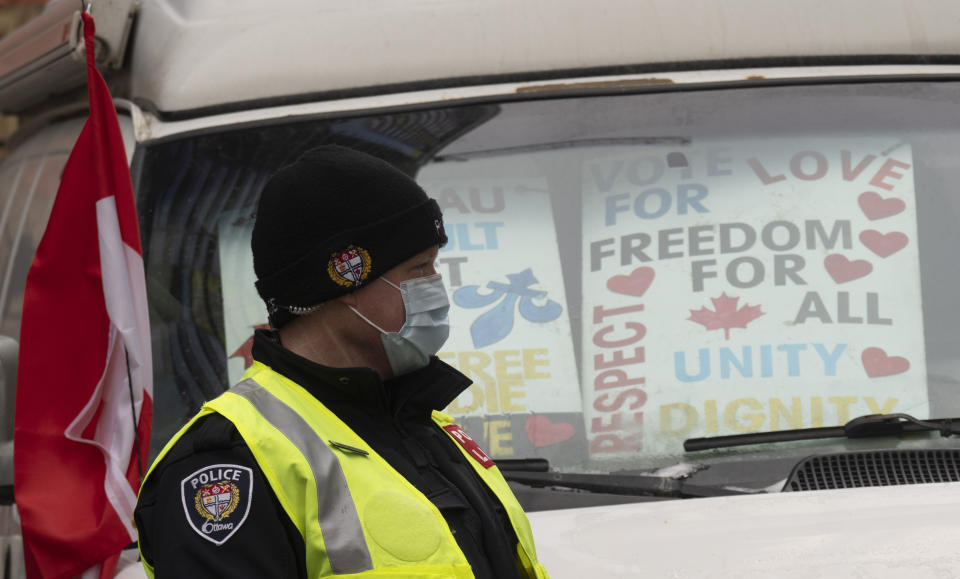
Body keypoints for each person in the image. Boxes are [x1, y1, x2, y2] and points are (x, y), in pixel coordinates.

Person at [134, 145, 548, 578]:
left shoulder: (420, 424)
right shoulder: (230, 462)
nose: (437, 286)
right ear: (347, 280)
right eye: (420, 268)